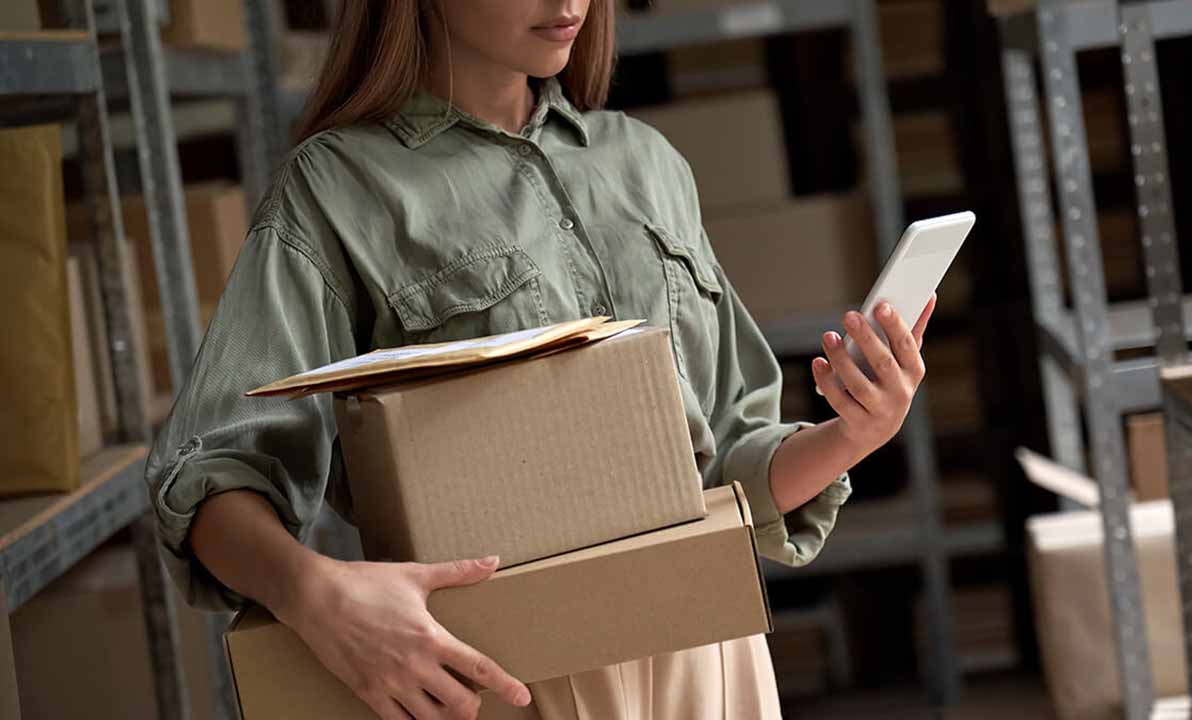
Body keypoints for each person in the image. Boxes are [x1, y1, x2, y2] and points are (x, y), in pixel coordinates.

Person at [144, 1, 936, 718]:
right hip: (501, 677)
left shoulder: (647, 164)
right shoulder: (336, 191)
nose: (569, 4)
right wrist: (315, 595)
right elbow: (211, 473)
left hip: (711, 656)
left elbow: (729, 466)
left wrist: (855, 431)